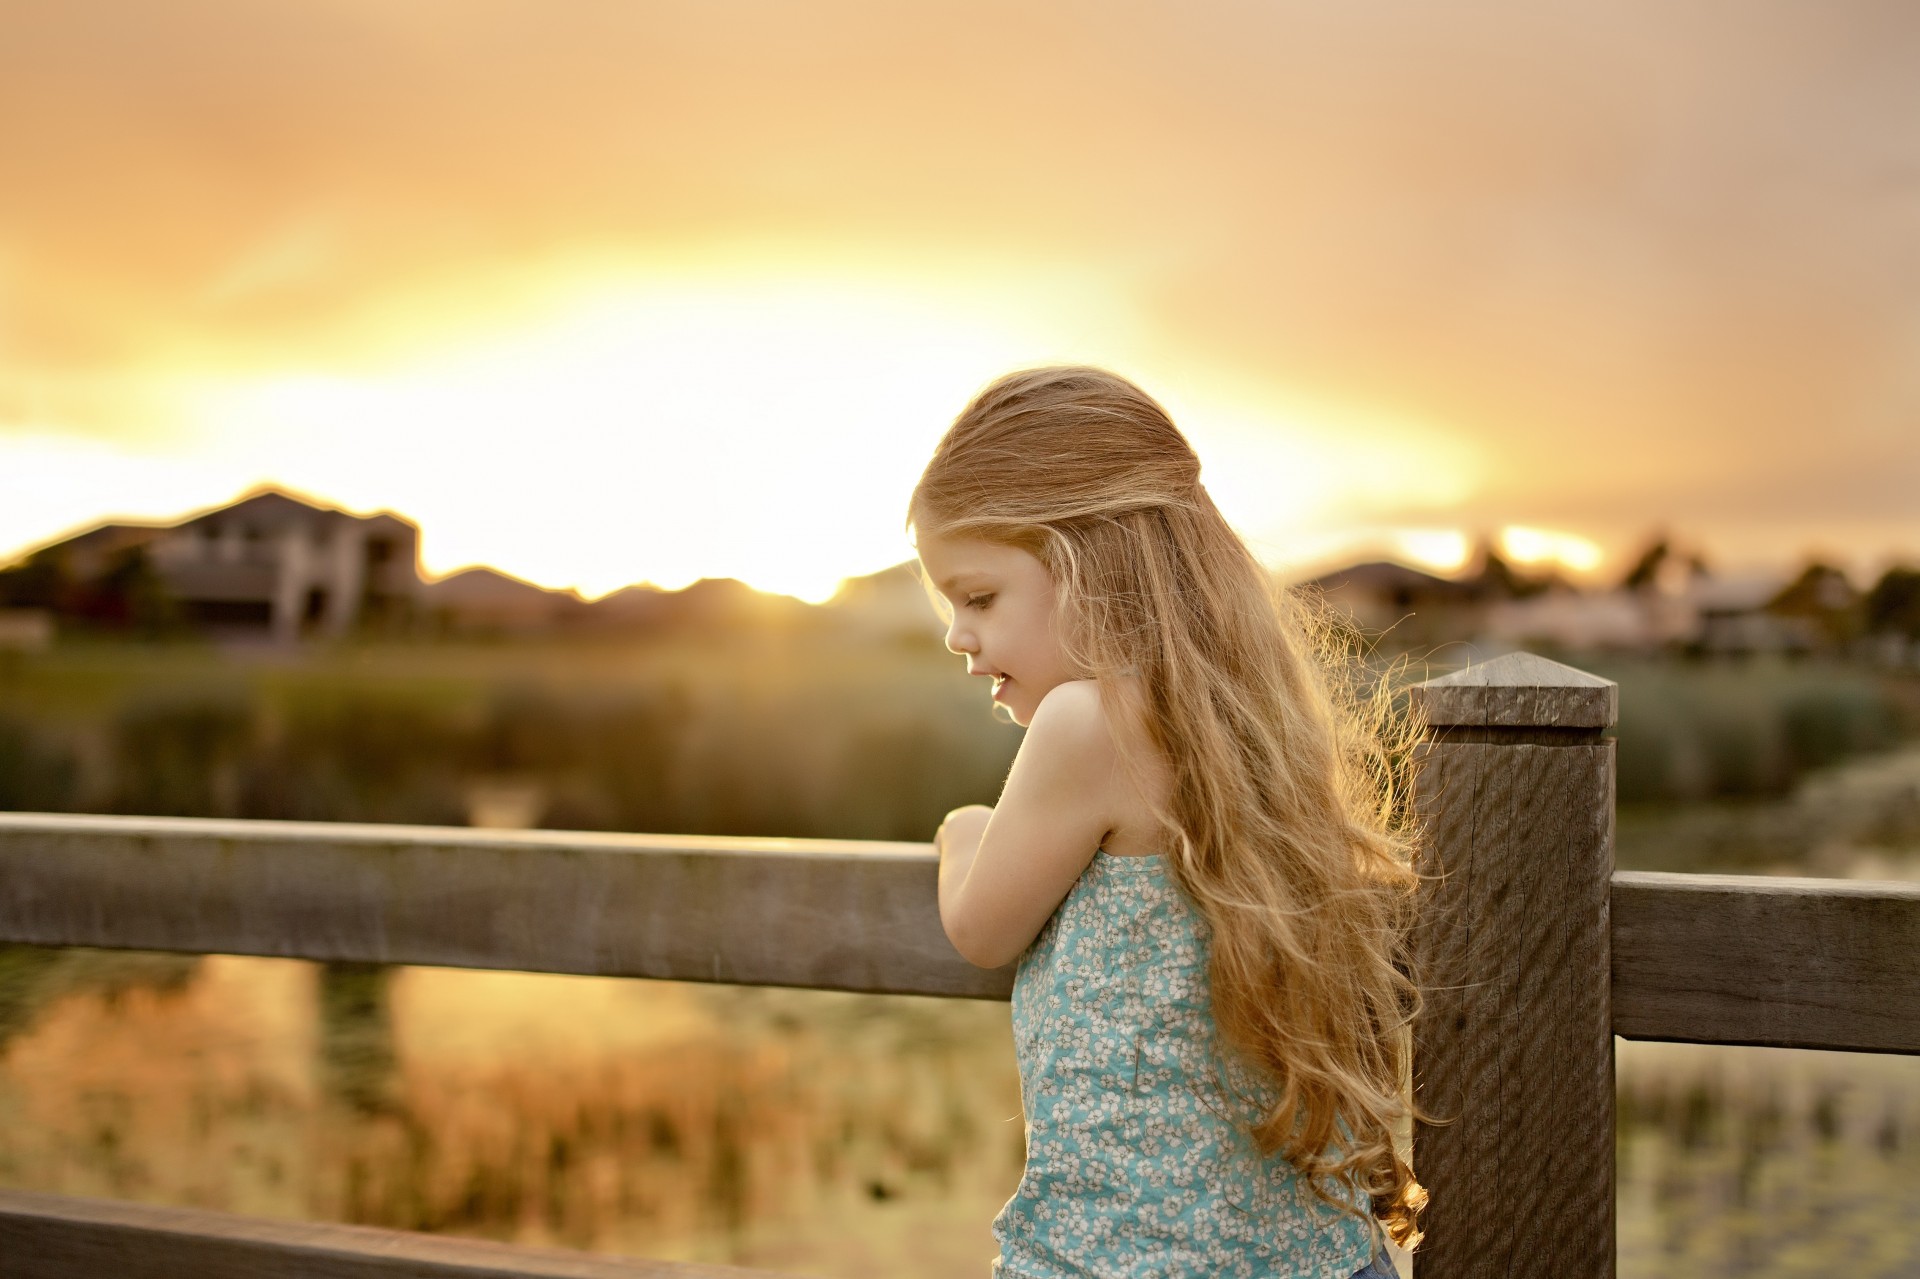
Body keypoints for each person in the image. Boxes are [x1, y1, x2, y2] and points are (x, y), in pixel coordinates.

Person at [910, 367, 1424, 1279]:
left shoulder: (1087, 721)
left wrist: (963, 830)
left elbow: (981, 926)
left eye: (980, 597)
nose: (958, 633)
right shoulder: (1248, 730)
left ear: (1090, 560)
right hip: (1322, 1261)